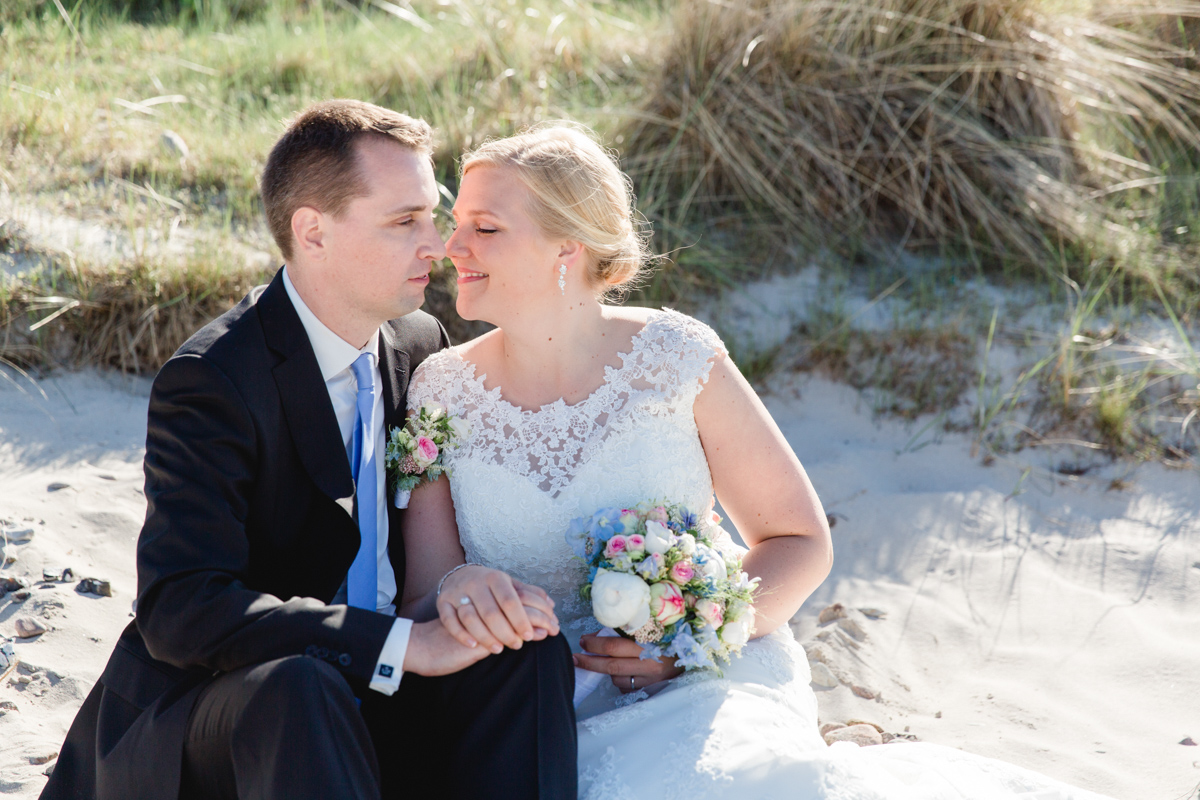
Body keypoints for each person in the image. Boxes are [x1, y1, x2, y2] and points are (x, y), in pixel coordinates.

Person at [401, 123, 1117, 799]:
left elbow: (799, 541)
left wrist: (689, 641)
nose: (450, 245)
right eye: (455, 222)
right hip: (532, 711)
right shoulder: (441, 388)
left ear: (570, 248)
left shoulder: (674, 357)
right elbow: (426, 594)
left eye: (485, 229)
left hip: (704, 682)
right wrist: (465, 588)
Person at [41, 100, 577, 800]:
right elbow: (179, 607)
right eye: (404, 220)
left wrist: (456, 589)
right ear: (313, 232)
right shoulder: (213, 380)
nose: (437, 244)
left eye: (431, 215)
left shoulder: (421, 347)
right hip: (234, 713)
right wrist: (393, 645)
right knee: (302, 682)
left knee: (522, 654)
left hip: (377, 693)